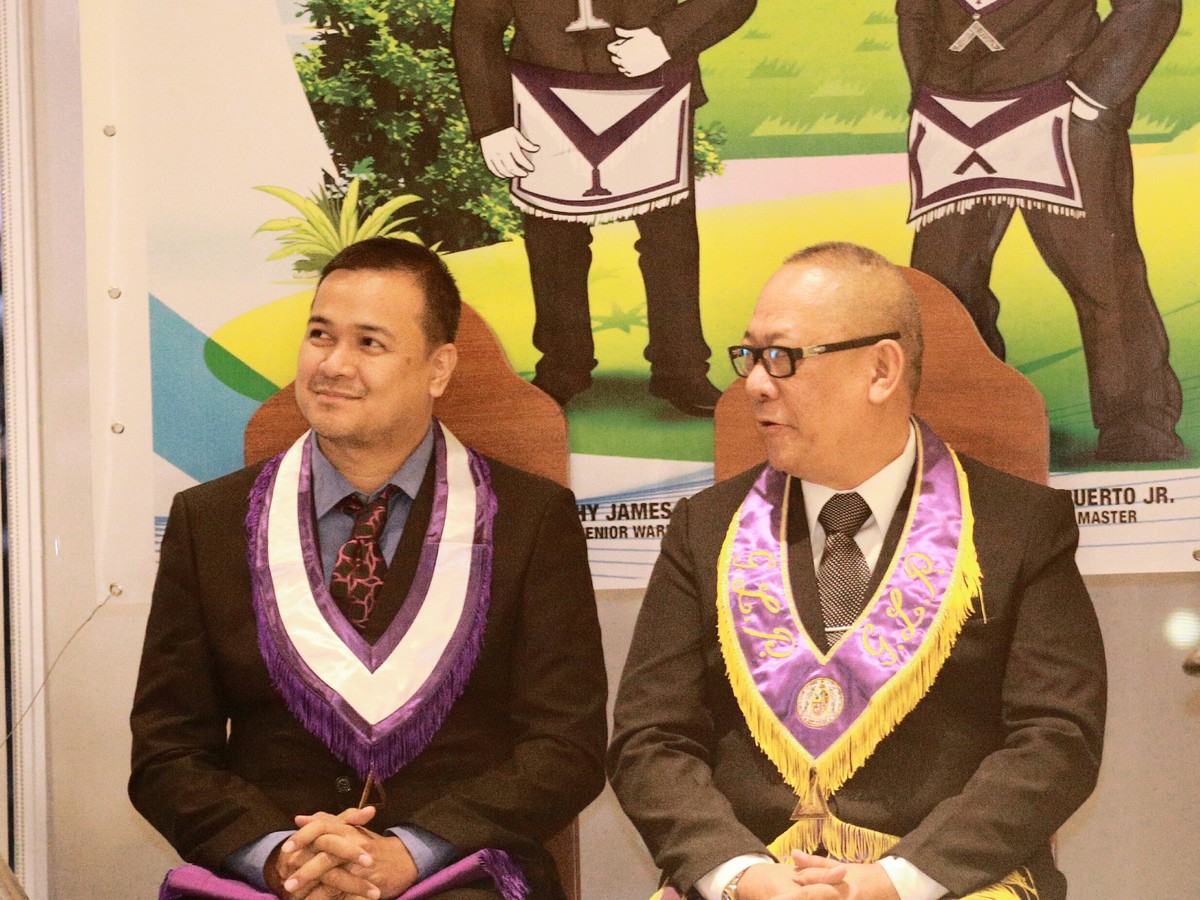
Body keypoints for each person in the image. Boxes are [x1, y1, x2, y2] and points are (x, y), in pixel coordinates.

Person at [608, 243, 1107, 900]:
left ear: (881, 370)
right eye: (750, 356)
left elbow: (1056, 740)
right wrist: (741, 874)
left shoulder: (1018, 526)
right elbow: (650, 739)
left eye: (782, 357)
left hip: (941, 884)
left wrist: (895, 882)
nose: (755, 383)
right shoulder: (706, 529)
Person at [130, 237, 608, 900]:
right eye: (320, 335)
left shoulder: (529, 519)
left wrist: (412, 852)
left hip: (456, 874)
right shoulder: (208, 521)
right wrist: (278, 856)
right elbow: (167, 753)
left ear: (438, 369)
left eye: (369, 343)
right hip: (276, 878)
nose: (333, 365)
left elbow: (566, 749)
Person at [897, 0, 1185, 462]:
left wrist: (1093, 97)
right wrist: (926, 86)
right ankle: (968, 423)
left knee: (1102, 278)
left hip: (1060, 105)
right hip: (950, 114)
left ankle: (1138, 423)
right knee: (944, 288)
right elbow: (914, 12)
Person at [451, 0, 757, 416]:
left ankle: (681, 370)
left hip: (656, 91)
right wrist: (492, 122)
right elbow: (476, 24)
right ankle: (561, 368)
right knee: (554, 249)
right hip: (542, 95)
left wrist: (665, 39)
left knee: (671, 245)